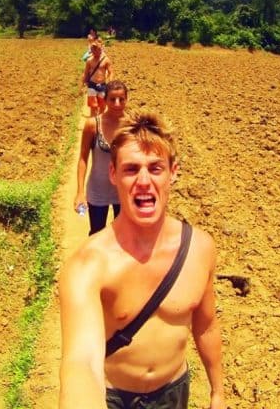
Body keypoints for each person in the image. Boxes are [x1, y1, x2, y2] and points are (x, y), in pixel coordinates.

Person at [59, 111, 226, 409]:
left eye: (155, 168)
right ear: (113, 174)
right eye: (131, 169)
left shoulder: (200, 249)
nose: (144, 181)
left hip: (173, 391)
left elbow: (207, 325)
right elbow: (81, 362)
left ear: (173, 172)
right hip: (113, 398)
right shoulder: (88, 265)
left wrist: (217, 392)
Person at [74, 80, 129, 235]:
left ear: (127, 100)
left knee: (124, 234)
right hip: (97, 191)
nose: (117, 104)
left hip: (123, 191)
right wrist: (79, 192)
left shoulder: (131, 126)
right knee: (97, 233)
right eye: (112, 99)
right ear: (105, 100)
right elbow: (83, 158)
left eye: (121, 99)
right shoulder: (93, 125)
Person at [82, 40, 113, 117]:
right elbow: (85, 73)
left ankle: (99, 120)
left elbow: (111, 72)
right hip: (92, 85)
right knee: (93, 106)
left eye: (99, 49)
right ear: (92, 51)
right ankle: (93, 122)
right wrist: (82, 85)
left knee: (103, 107)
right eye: (95, 50)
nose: (98, 52)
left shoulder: (106, 60)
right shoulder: (89, 61)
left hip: (102, 85)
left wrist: (110, 82)